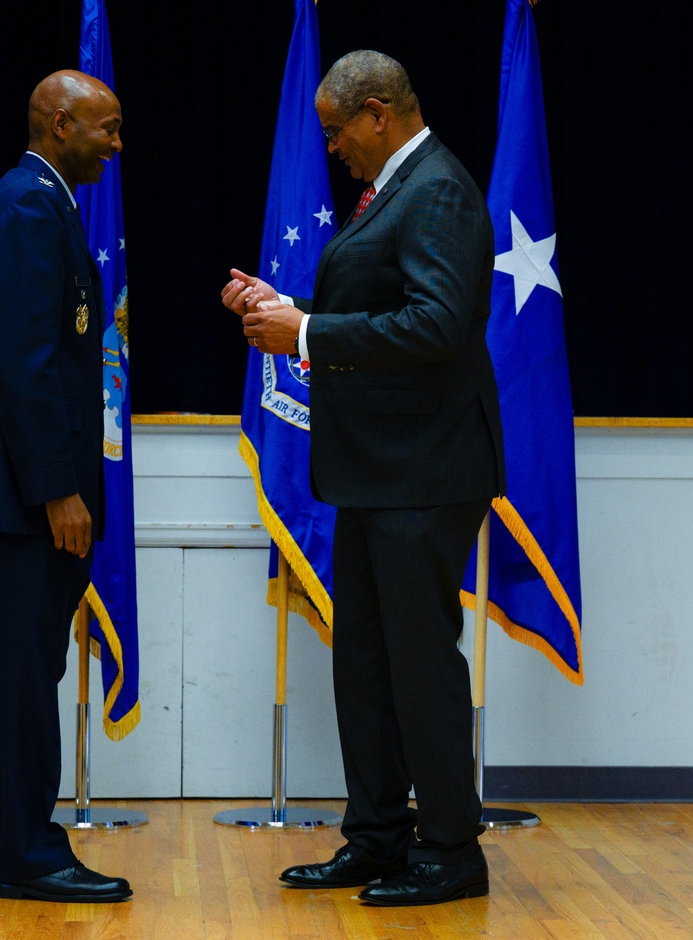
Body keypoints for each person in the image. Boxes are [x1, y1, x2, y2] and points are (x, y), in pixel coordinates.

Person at [222, 50, 505, 907]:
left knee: (419, 666)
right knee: (368, 666)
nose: (333, 146)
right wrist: (291, 309)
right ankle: (377, 838)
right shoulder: (395, 189)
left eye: (338, 128)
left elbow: (436, 325)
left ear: (379, 113)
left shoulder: (439, 190)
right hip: (381, 472)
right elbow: (380, 300)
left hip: (426, 471)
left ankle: (452, 849)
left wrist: (305, 335)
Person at [0, 70, 131, 903]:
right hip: (28, 500)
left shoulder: (46, 202)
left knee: (17, 669)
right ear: (60, 124)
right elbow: (25, 363)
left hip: (25, 493)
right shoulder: (27, 205)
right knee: (25, 676)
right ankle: (30, 853)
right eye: (107, 128)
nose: (117, 144)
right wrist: (59, 490)